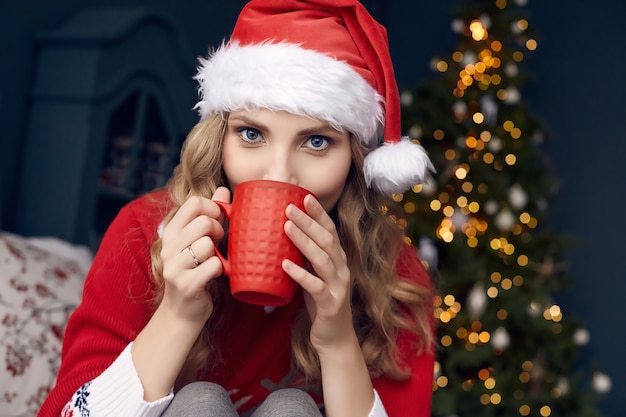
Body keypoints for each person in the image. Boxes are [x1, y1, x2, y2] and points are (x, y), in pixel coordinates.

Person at [39, 1, 437, 416]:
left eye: (317, 142)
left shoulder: (394, 277)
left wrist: (338, 342)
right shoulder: (143, 233)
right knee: (199, 404)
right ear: (219, 141)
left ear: (355, 159)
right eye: (251, 133)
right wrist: (177, 314)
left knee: (291, 410)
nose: (280, 174)